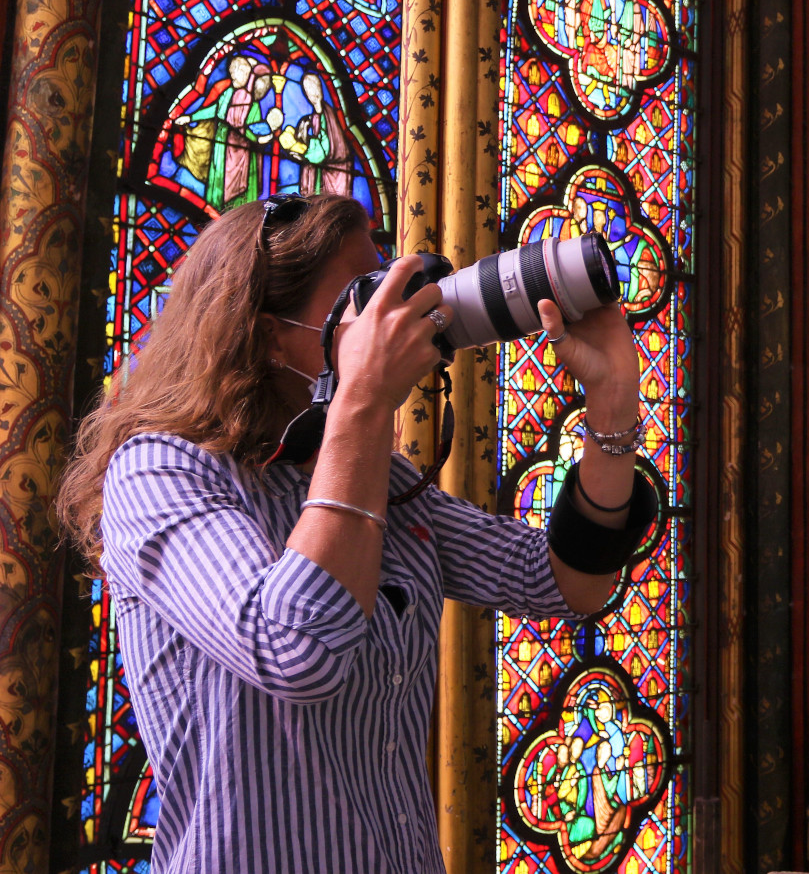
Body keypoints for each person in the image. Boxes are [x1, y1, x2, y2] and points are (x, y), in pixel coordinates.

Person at [54, 193, 654, 873]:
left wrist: (611, 404)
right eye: (362, 298)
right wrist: (362, 400)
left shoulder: (378, 477)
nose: (393, 319)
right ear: (264, 331)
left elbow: (563, 580)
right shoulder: (160, 470)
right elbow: (295, 650)